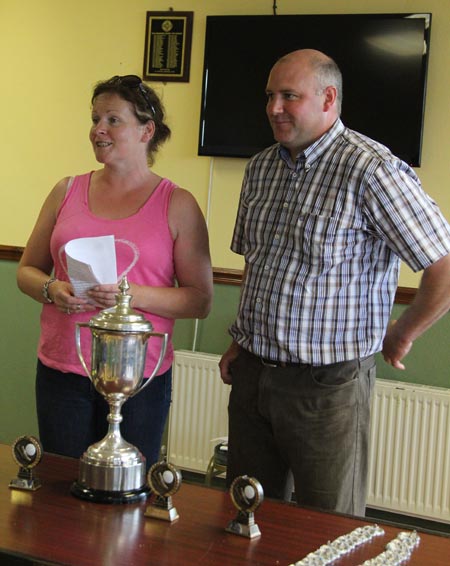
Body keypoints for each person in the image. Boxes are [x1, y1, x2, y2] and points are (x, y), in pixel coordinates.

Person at [219, 49, 450, 516]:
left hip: (328, 389)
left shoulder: (372, 170)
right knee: (246, 516)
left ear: (329, 99)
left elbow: (443, 266)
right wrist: (240, 344)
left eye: (289, 96)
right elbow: (257, 265)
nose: (274, 108)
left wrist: (403, 333)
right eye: (270, 96)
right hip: (253, 379)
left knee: (329, 528)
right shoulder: (260, 168)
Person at [17, 74, 213, 470]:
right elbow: (26, 271)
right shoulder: (66, 190)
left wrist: (128, 294)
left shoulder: (178, 203)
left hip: (139, 376)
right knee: (61, 487)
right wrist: (52, 289)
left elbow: (200, 299)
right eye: (94, 119)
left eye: (112, 120)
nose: (98, 130)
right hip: (63, 369)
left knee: (128, 492)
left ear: (147, 130)